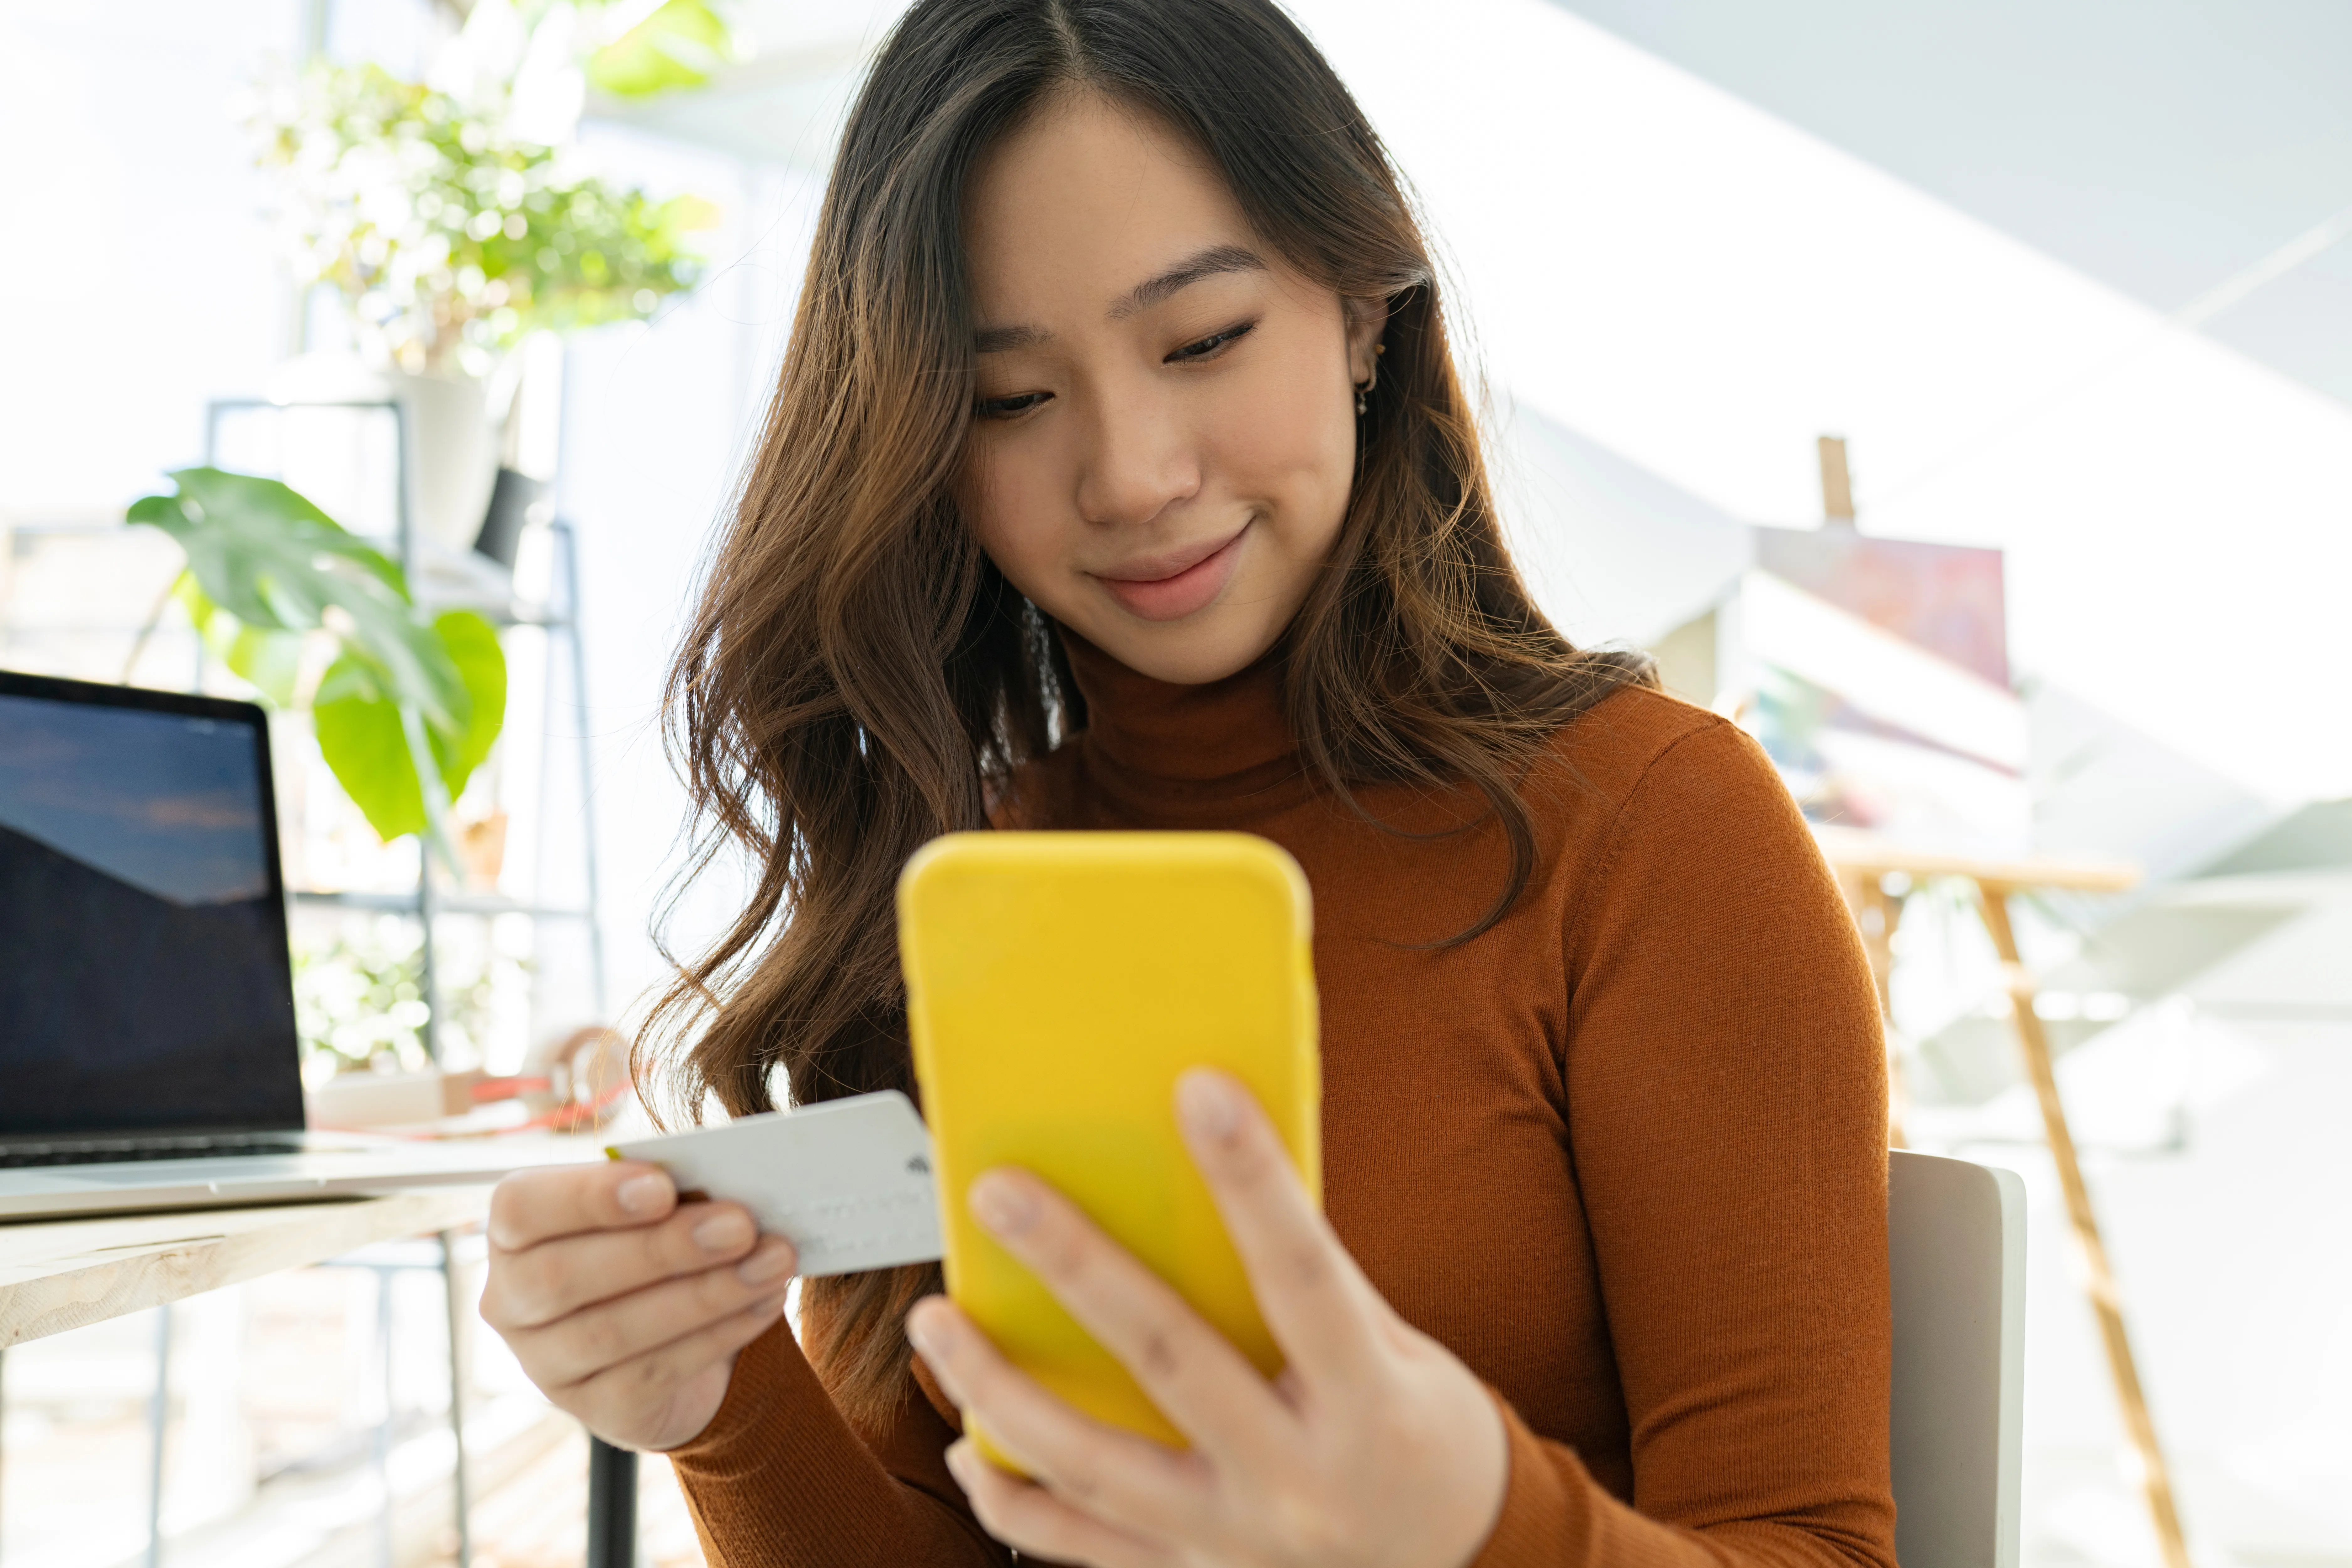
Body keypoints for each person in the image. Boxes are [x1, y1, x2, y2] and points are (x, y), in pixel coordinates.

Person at [478, 2, 1896, 1564]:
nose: (1134, 474)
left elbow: (1810, 1541)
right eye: (1010, 397)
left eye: (1205, 340)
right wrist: (716, 1392)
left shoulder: (1653, 830)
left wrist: (1475, 1523)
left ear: (1365, 311)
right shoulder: (969, 879)